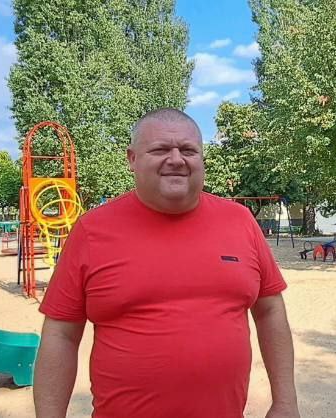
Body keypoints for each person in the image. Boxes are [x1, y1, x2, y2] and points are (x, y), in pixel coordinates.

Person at [34, 108, 300, 418]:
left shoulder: (240, 222)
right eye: (160, 149)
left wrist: (285, 402)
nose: (176, 159)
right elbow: (61, 334)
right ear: (132, 159)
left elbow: (270, 310)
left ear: (201, 158)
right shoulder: (92, 230)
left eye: (188, 150)